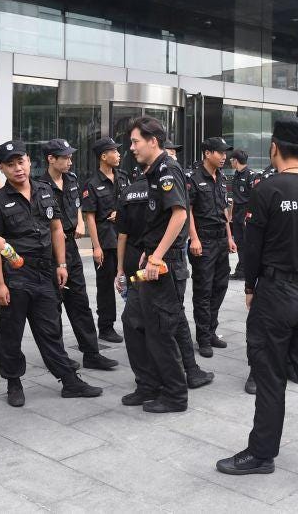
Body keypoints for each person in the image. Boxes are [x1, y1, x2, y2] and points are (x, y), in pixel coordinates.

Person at [215, 117, 298, 489]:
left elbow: (252, 247)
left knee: (270, 376)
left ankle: (261, 454)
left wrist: (251, 286)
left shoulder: (267, 189)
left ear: (274, 147)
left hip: (276, 292)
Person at [0, 141, 102, 407]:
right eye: (10, 165)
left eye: (21, 162)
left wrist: (61, 265)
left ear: (28, 161)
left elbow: (57, 229)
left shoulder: (45, 191)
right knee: (12, 333)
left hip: (45, 273)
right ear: (2, 168)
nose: (17, 169)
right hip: (14, 277)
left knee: (50, 330)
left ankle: (69, 381)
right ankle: (14, 382)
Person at [116, 167, 214, 393]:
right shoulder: (165, 188)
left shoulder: (129, 191)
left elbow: (122, 233)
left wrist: (120, 268)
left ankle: (153, 379)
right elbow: (181, 217)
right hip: (160, 259)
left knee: (140, 322)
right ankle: (185, 373)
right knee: (169, 320)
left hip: (140, 258)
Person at [117, 116, 192, 412]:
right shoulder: (152, 173)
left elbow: (179, 215)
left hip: (163, 266)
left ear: (153, 141)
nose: (132, 147)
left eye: (136, 141)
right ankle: (147, 385)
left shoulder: (167, 170)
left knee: (161, 331)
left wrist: (158, 254)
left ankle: (175, 395)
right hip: (147, 263)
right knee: (133, 322)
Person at [39, 138, 118, 371]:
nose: (69, 161)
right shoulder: (39, 185)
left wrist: (79, 220)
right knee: (53, 307)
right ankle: (59, 358)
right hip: (51, 253)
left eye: (70, 156)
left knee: (80, 303)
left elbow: (78, 203)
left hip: (71, 249)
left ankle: (91, 353)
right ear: (50, 159)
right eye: (64, 157)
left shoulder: (72, 180)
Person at [187, 136, 236, 357]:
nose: (224, 156)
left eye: (225, 153)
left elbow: (225, 210)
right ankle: (203, 337)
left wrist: (229, 236)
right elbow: (186, 211)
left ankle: (211, 330)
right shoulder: (194, 178)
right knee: (203, 290)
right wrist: (194, 239)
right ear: (207, 153)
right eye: (220, 152)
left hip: (220, 240)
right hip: (203, 240)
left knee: (220, 286)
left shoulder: (221, 177)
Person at [82, 137, 129, 343]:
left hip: (125, 239)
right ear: (103, 156)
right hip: (105, 241)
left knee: (132, 281)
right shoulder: (92, 184)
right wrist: (96, 247)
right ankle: (106, 327)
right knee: (105, 287)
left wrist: (120, 213)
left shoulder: (124, 178)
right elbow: (89, 217)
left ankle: (135, 320)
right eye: (114, 151)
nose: (119, 154)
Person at [229, 150, 260, 280]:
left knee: (248, 242)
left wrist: (248, 216)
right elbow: (235, 197)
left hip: (247, 211)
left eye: (231, 160)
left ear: (236, 160)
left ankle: (248, 270)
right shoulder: (236, 174)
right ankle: (241, 269)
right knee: (239, 242)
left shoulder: (251, 175)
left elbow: (255, 198)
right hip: (237, 211)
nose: (230, 162)